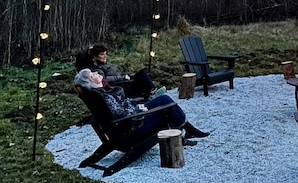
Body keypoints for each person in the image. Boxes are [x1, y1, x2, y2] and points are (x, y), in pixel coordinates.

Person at [73, 69, 208, 140]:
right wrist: (139, 110)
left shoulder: (100, 93)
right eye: (93, 74)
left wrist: (138, 104)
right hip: (134, 126)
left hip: (132, 120)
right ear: (91, 82)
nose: (97, 73)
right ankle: (186, 130)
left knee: (164, 100)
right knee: (166, 104)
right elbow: (120, 113)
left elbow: (122, 107)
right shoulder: (103, 96)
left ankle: (187, 130)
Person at [75, 44, 163, 100]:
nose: (105, 56)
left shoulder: (102, 64)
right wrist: (122, 77)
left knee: (142, 73)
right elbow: (104, 80)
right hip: (122, 87)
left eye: (105, 53)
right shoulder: (95, 70)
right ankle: (153, 93)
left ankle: (152, 91)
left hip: (123, 82)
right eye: (102, 54)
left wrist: (128, 74)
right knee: (142, 75)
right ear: (94, 57)